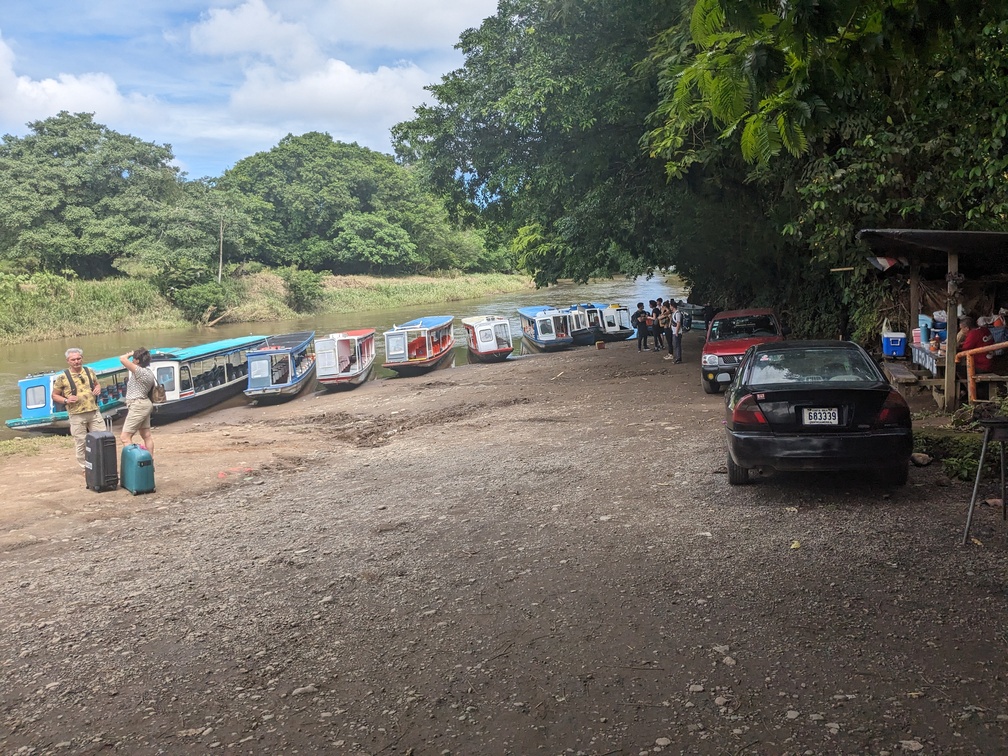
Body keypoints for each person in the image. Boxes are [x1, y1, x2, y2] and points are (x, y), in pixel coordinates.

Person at [51, 348, 103, 472]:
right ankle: (86, 469)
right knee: (81, 441)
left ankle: (102, 464)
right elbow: (54, 395)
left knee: (101, 438)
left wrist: (98, 388)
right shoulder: (62, 377)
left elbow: (97, 383)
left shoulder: (89, 371)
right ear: (68, 361)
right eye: (73, 360)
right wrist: (66, 400)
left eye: (78, 359)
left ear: (82, 359)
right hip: (76, 415)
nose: (76, 361)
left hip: (94, 411)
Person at [119, 348, 156, 456]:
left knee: (125, 437)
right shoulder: (148, 372)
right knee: (146, 435)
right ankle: (150, 461)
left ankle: (134, 461)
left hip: (138, 405)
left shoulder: (140, 371)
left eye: (134, 359)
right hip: (144, 403)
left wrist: (130, 354)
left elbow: (122, 359)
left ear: (138, 361)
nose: (132, 361)